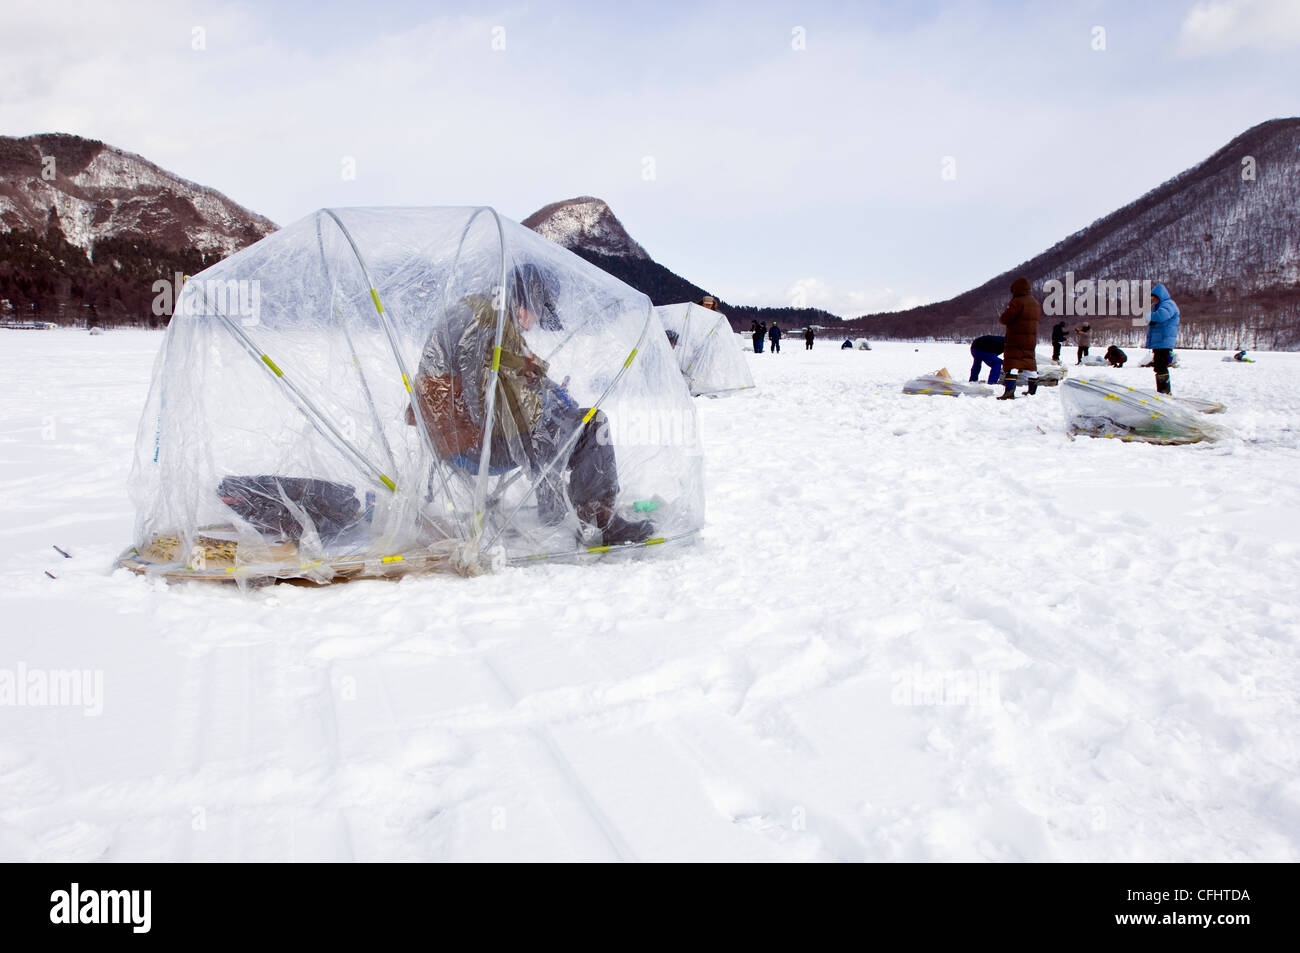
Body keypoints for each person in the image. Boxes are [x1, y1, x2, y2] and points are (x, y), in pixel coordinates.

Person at [409, 263, 654, 545]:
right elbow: (491, 401)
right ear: (527, 301)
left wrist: (543, 393)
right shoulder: (492, 324)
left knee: (553, 422)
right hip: (477, 444)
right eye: (539, 311)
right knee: (592, 424)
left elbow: (498, 383)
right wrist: (550, 404)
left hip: (444, 437)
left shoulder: (481, 313)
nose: (536, 321)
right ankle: (601, 519)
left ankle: (554, 505)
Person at [996, 277, 1041, 399]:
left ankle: (1009, 392)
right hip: (1031, 339)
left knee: (1013, 364)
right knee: (1029, 363)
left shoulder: (1017, 302)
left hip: (1016, 338)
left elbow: (1005, 319)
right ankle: (1032, 392)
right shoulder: (1035, 303)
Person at [1145, 283, 1179, 394]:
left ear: (1159, 295)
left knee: (1161, 366)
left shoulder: (1168, 304)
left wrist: (1149, 316)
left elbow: (1161, 316)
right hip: (1160, 342)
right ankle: (1163, 391)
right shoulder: (1161, 305)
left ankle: (1165, 392)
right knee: (1159, 367)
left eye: (1154, 296)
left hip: (1163, 342)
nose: (1153, 299)